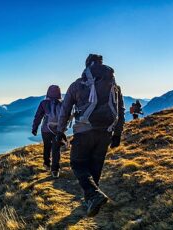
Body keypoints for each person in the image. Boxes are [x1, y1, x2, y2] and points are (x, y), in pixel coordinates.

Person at [56, 54, 125, 217]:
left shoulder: (77, 85)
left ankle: (93, 196)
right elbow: (120, 110)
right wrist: (117, 134)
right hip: (106, 131)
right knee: (95, 165)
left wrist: (60, 132)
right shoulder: (114, 86)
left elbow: (65, 110)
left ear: (87, 66)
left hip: (84, 131)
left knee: (77, 163)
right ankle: (92, 198)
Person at [32, 85, 64, 178]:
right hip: (58, 130)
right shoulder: (62, 103)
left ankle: (46, 163)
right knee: (56, 149)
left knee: (47, 146)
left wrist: (35, 128)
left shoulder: (43, 103)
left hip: (46, 129)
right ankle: (55, 170)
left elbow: (38, 116)